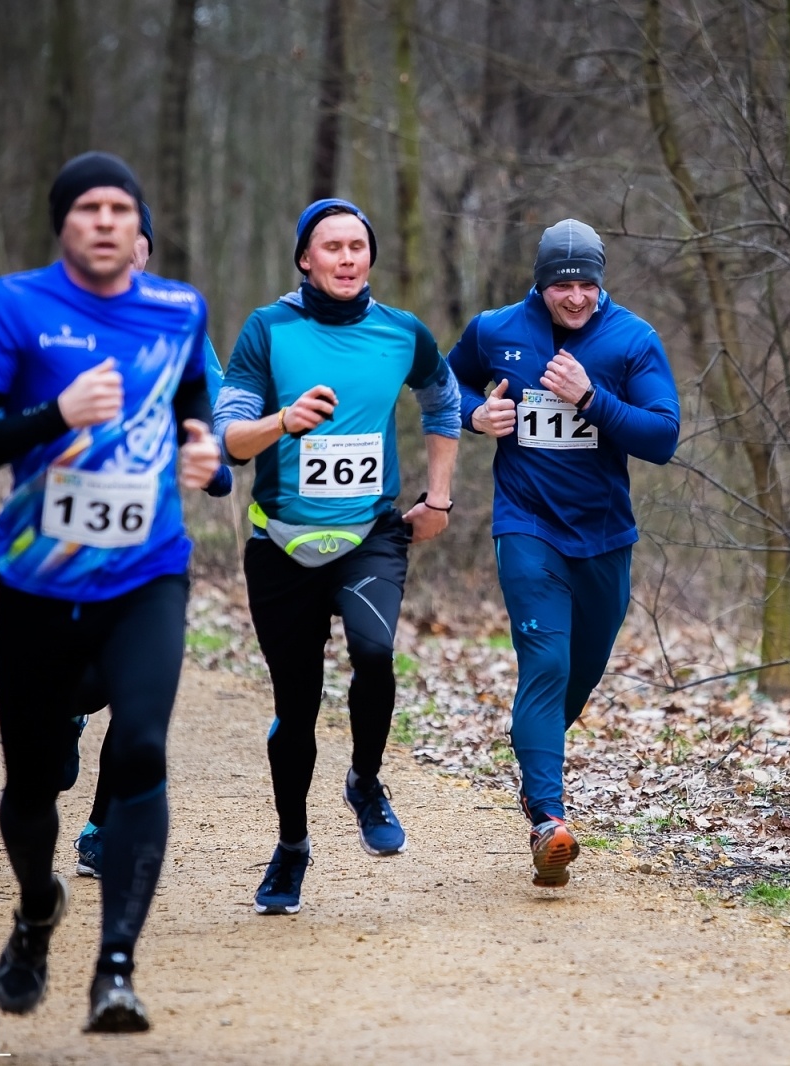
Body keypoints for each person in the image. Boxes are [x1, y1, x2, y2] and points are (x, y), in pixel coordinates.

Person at [0, 151, 221, 1032]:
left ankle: (117, 968)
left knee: (139, 748)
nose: (104, 220)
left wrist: (203, 455)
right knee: (30, 787)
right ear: (63, 223)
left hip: (147, 572)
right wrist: (55, 416)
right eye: (87, 207)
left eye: (119, 207)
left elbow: (194, 414)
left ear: (140, 228)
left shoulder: (179, 310)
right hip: (37, 581)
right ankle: (35, 910)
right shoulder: (14, 306)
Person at [214, 198, 460, 916]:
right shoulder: (268, 330)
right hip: (282, 543)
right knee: (296, 707)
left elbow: (442, 404)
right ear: (305, 259)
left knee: (376, 653)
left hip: (369, 535)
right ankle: (292, 846)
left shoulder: (401, 334)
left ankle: (365, 779)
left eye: (358, 246)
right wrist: (282, 422)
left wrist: (438, 498)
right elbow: (229, 439)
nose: (348, 258)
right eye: (332, 247)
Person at [448, 218, 679, 887]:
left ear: (601, 281)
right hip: (526, 524)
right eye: (561, 285)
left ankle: (534, 765)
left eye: (585, 284)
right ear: (540, 282)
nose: (574, 297)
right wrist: (472, 415)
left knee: (578, 673)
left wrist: (591, 398)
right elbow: (443, 381)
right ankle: (549, 820)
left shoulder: (633, 341)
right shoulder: (496, 330)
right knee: (544, 661)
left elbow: (662, 437)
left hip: (605, 535)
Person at [70, 201, 233, 880]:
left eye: (139, 244)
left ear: (147, 255)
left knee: (139, 702)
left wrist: (215, 463)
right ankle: (63, 716)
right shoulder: (55, 322)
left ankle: (103, 829)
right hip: (66, 550)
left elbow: (214, 417)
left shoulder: (180, 326)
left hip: (148, 550)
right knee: (73, 693)